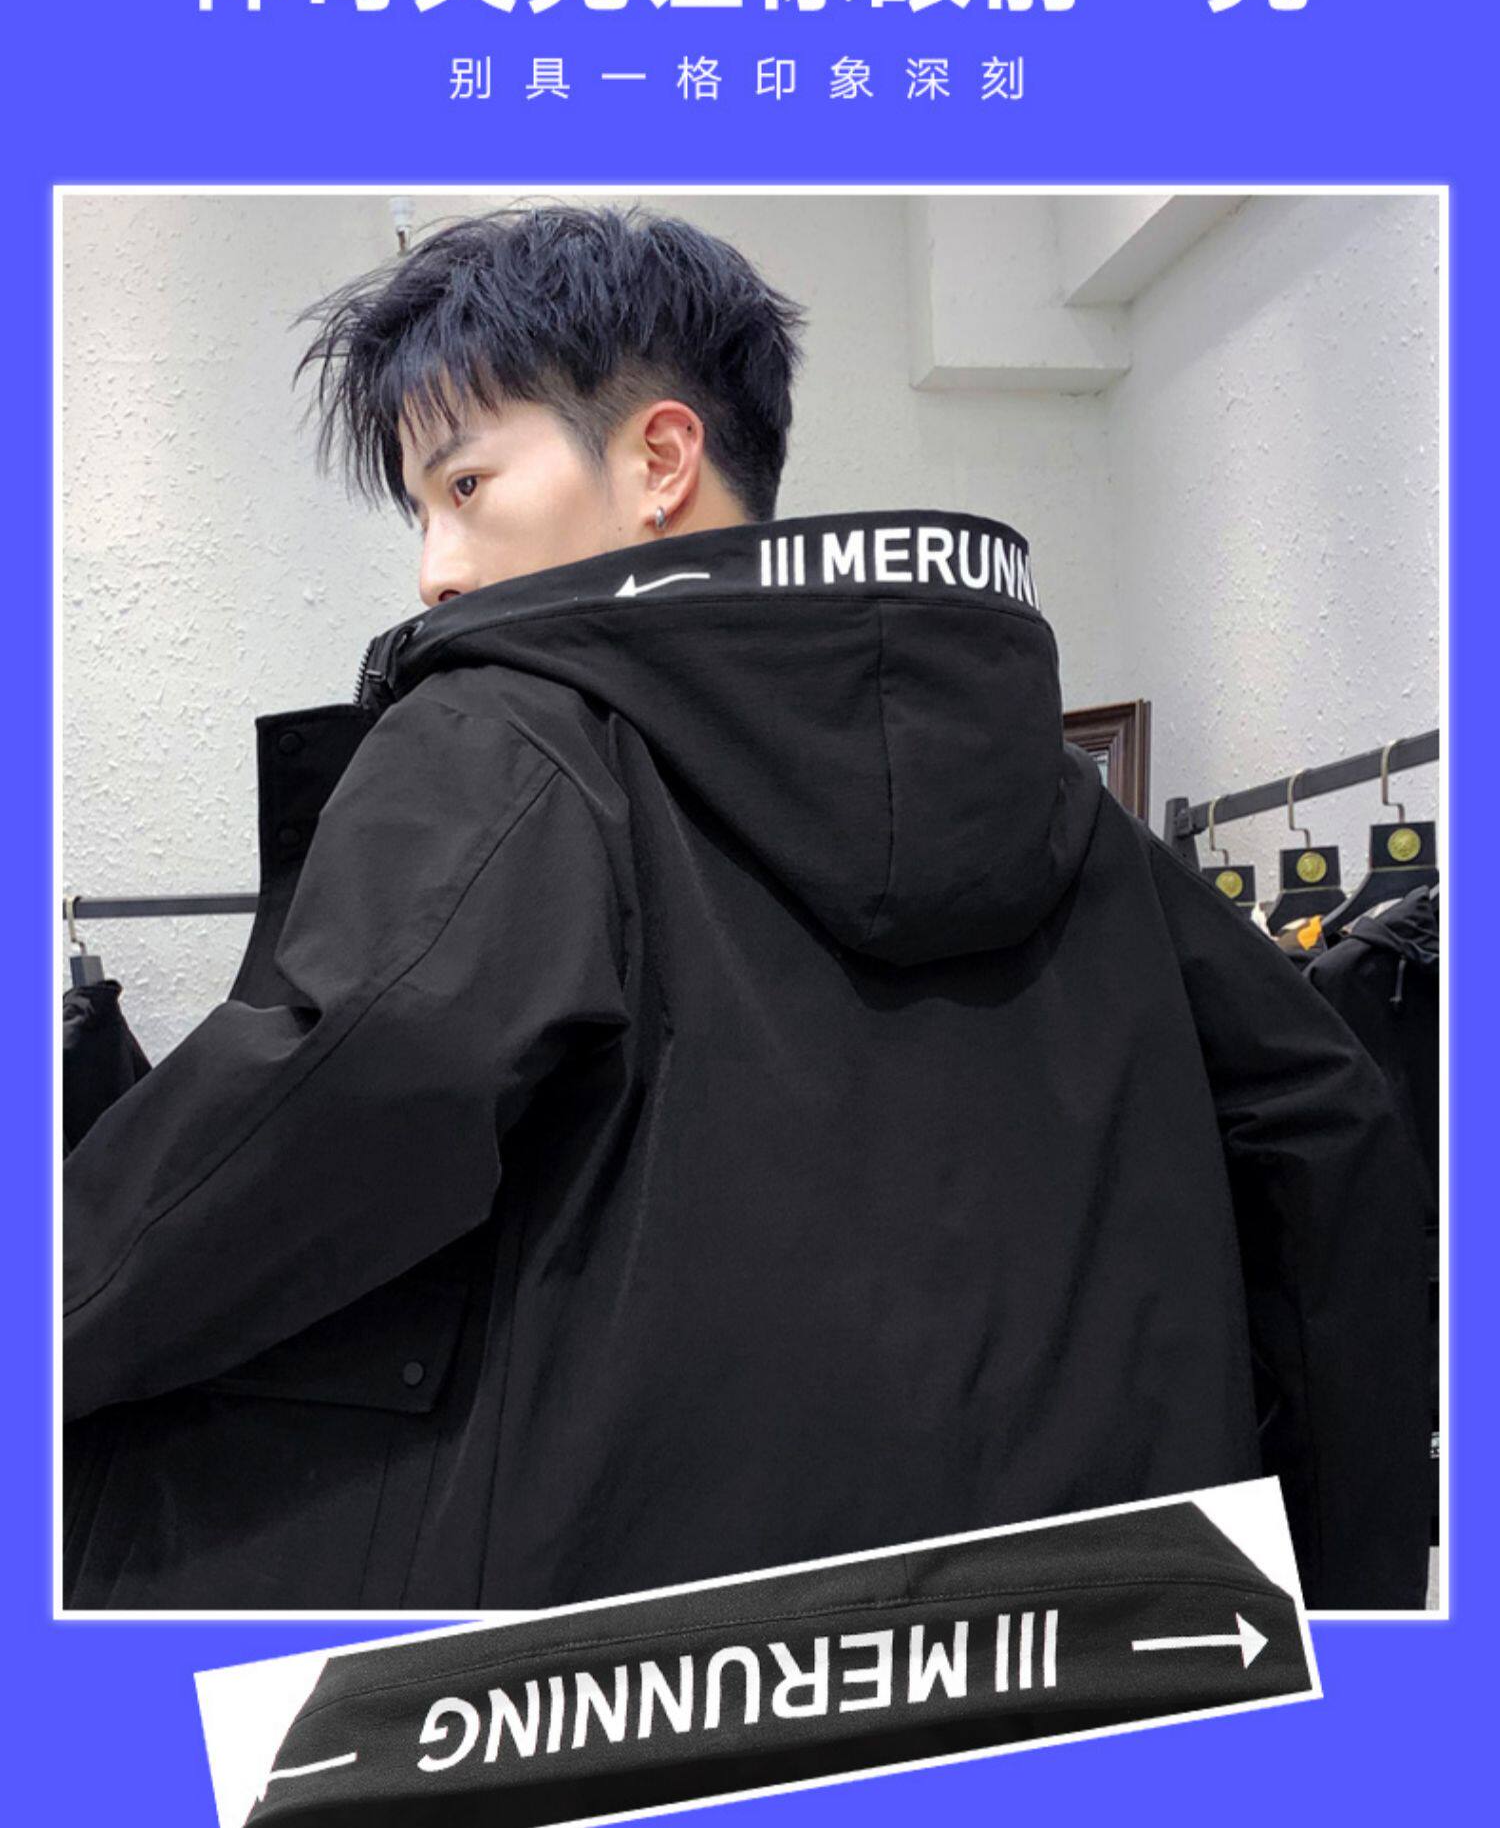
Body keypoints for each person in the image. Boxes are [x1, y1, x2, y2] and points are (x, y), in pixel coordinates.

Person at [62, 201, 1432, 1613]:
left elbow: (348, 1081)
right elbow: (1327, 1121)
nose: (437, 568)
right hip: (1065, 1646)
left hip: (629, 1660)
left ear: (660, 458)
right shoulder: (1073, 816)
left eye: (464, 484)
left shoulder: (514, 737)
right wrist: (1342, 1598)